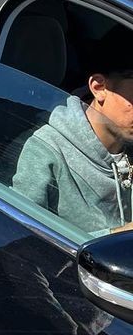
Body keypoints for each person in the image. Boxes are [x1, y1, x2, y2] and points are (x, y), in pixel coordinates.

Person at [13, 23, 133, 236]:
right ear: (99, 88)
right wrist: (119, 235)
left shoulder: (128, 146)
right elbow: (19, 240)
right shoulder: (46, 150)